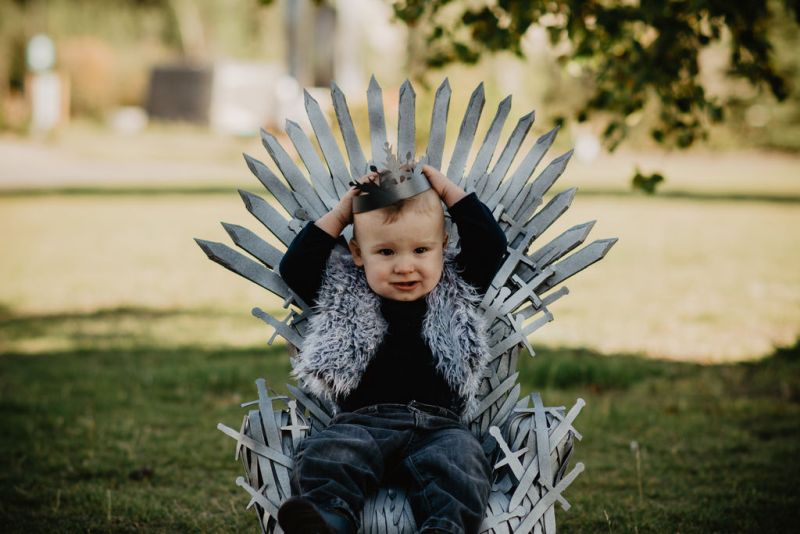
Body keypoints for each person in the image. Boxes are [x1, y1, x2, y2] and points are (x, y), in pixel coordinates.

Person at [276, 162, 508, 534]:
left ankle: (444, 529)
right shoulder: (342, 289)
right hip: (363, 422)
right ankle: (329, 521)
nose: (405, 266)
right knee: (329, 454)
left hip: (439, 427)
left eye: (420, 249)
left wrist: (445, 189)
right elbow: (296, 268)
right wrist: (343, 211)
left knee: (464, 463)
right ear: (357, 253)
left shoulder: (456, 284)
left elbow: (490, 243)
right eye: (385, 252)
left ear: (442, 247)